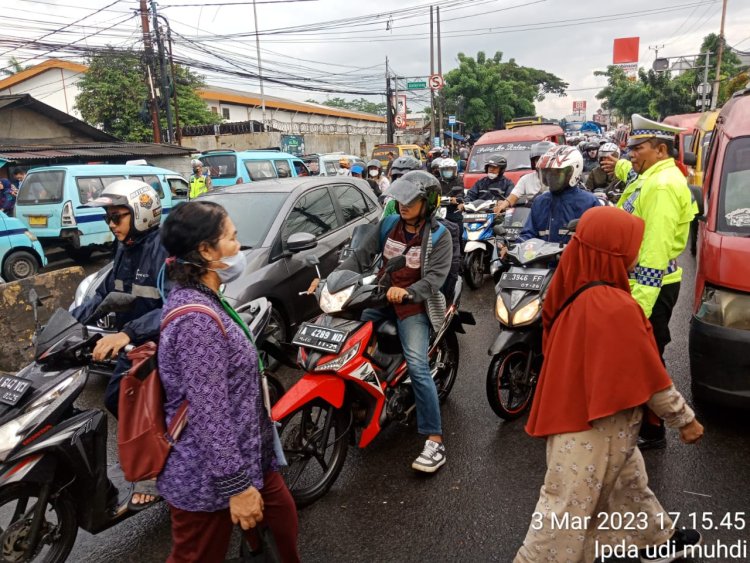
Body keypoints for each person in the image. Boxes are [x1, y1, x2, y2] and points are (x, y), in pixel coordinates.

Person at [515, 206, 704, 563]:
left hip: (588, 417)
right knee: (565, 510)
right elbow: (650, 379)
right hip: (591, 427)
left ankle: (655, 540)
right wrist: (685, 421)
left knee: (626, 480)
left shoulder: (575, 288)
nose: (635, 256)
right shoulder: (614, 306)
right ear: (611, 253)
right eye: (630, 248)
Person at [158, 201, 299, 563]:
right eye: (233, 238)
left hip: (252, 456)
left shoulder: (207, 299)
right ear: (206, 250)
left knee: (282, 532)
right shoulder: (197, 322)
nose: (240, 247)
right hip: (209, 478)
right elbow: (210, 412)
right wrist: (236, 488)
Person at [315, 171, 453, 472]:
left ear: (427, 203)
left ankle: (434, 440)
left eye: (411, 200)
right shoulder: (389, 224)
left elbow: (434, 280)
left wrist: (407, 292)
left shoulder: (440, 237)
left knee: (418, 365)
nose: (403, 205)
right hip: (378, 298)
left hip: (413, 307)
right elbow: (360, 256)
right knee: (349, 345)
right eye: (400, 199)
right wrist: (331, 282)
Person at [70, 179, 167, 508]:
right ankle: (158, 447)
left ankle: (156, 470)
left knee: (146, 405)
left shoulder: (164, 249)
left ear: (141, 213)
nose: (111, 225)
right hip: (136, 345)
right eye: (107, 218)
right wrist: (69, 323)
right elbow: (105, 293)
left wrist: (127, 333)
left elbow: (176, 308)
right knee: (115, 398)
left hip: (166, 343)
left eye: (117, 217)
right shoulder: (125, 247)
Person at [610, 114, 696, 450]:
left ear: (660, 150)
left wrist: (639, 307)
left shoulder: (661, 187)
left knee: (647, 354)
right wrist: (615, 162)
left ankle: (654, 427)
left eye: (637, 147)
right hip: (649, 282)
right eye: (629, 147)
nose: (630, 153)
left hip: (653, 285)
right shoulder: (657, 173)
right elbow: (629, 175)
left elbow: (654, 251)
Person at [516, 145, 600, 243]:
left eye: (556, 173)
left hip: (574, 258)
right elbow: (528, 233)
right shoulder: (540, 201)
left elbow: (596, 240)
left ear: (572, 173)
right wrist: (517, 247)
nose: (549, 178)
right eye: (546, 173)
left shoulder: (589, 202)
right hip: (541, 257)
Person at [495, 141, 555, 213]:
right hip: (532, 214)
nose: (541, 162)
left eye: (545, 159)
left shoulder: (559, 178)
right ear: (533, 162)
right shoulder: (526, 179)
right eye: (538, 159)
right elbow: (513, 196)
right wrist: (503, 205)